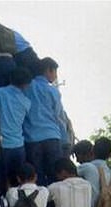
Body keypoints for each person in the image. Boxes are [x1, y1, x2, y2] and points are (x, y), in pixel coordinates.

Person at [23, 57, 68, 186]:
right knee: (56, 177)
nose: (55, 76)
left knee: (38, 178)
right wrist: (64, 140)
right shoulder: (53, 91)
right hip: (52, 138)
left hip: (32, 139)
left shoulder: (26, 87)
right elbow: (59, 116)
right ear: (48, 70)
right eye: (55, 72)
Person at [0, 67, 33, 186]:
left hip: (1, 146)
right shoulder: (26, 102)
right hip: (19, 146)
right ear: (26, 84)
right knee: (19, 183)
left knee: (2, 181)